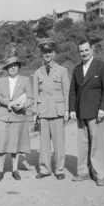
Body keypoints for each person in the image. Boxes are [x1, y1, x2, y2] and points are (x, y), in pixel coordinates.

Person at [69, 40, 104, 186]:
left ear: (92, 50)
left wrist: (103, 109)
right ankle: (83, 172)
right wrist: (72, 110)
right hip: (81, 112)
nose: (84, 53)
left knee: (97, 144)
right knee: (82, 144)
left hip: (96, 112)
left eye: (86, 50)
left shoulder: (101, 66)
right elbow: (73, 92)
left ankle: (100, 174)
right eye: (81, 51)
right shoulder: (76, 70)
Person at [33, 39, 70, 180]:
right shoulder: (37, 73)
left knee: (59, 142)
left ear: (54, 53)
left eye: (50, 51)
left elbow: (66, 91)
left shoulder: (62, 70)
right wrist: (35, 113)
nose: (47, 54)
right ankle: (45, 169)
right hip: (43, 111)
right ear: (42, 54)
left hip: (57, 110)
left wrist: (66, 110)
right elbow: (36, 94)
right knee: (43, 144)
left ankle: (59, 169)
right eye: (45, 52)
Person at [0, 57, 33, 182]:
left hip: (18, 115)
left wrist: (23, 105)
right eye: (10, 66)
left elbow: (31, 98)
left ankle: (15, 170)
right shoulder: (1, 80)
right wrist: (9, 103)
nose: (13, 68)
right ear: (7, 69)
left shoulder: (25, 80)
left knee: (15, 144)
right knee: (2, 144)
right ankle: (0, 170)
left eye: (15, 65)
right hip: (3, 116)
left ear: (18, 67)